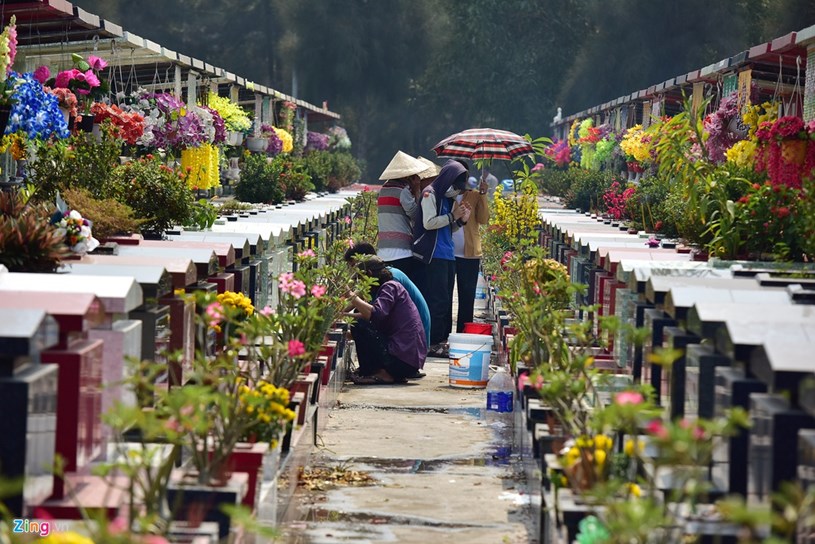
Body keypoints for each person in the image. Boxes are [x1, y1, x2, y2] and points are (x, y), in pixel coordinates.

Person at [412, 159, 471, 358]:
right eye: (455, 186)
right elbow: (429, 223)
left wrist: (461, 220)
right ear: (447, 180)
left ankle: (443, 340)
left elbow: (449, 226)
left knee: (446, 302)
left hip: (448, 254)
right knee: (437, 301)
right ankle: (433, 342)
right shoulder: (431, 194)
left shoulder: (448, 199)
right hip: (434, 254)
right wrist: (452, 216)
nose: (457, 191)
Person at [347, 257, 427, 385]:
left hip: (402, 361)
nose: (361, 285)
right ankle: (384, 373)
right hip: (406, 362)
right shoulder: (388, 288)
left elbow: (375, 314)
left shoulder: (390, 286)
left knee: (359, 324)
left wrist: (350, 294)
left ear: (369, 275)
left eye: (361, 279)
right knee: (358, 320)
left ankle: (380, 373)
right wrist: (344, 315)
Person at [344, 242, 431, 349]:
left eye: (354, 266)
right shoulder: (377, 276)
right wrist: (336, 314)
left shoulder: (390, 279)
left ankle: (373, 365)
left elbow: (374, 314)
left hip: (413, 338)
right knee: (361, 314)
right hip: (405, 332)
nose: (353, 272)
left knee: (363, 324)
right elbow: (352, 302)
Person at [376, 151, 427, 289]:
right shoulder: (402, 191)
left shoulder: (383, 190)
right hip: (401, 250)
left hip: (383, 250)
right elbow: (416, 215)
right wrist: (417, 191)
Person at [453, 176, 490, 332]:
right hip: (448, 253)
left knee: (467, 297)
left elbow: (483, 219)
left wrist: (483, 195)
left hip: (470, 254)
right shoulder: (446, 196)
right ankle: (444, 334)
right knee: (444, 297)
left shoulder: (474, 195)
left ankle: (463, 332)